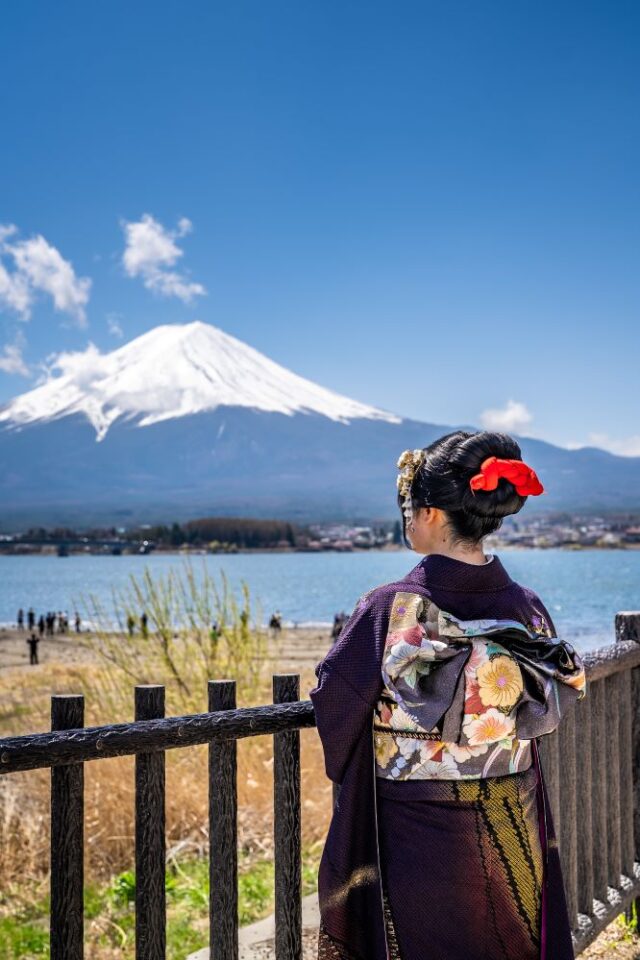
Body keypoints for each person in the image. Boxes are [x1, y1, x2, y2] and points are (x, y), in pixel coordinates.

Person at [309, 431, 587, 960]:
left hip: (417, 823)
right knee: (511, 938)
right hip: (514, 809)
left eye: (409, 507)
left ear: (432, 514)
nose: (406, 519)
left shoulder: (389, 609)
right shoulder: (527, 608)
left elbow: (338, 703)